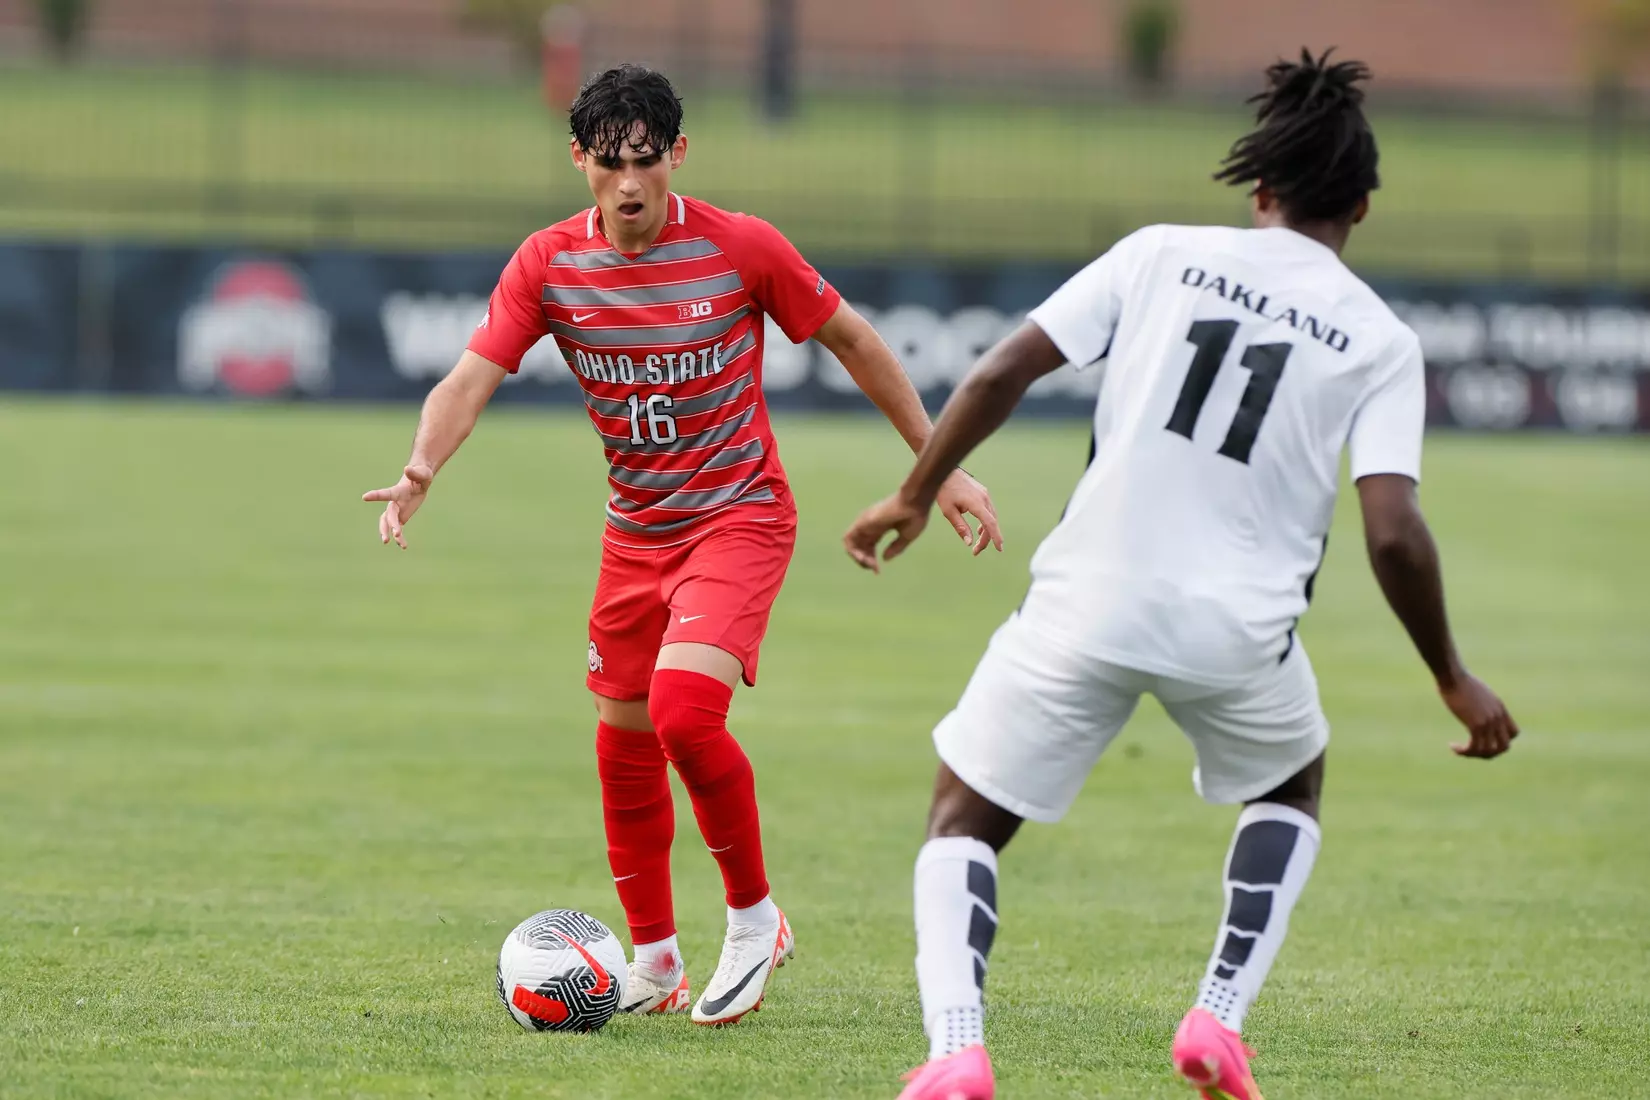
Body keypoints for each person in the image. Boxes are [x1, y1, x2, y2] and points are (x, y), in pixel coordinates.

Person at [843, 49, 1519, 1100]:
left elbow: (999, 369)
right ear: (1364, 208)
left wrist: (917, 492)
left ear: (1259, 193)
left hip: (1086, 601)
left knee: (961, 821)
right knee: (1289, 786)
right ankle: (1217, 1017)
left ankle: (957, 1049)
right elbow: (1394, 531)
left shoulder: (1158, 253)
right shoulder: (1382, 338)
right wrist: (1451, 673)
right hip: (1239, 632)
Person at [363, 64, 1002, 1027]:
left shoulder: (741, 247)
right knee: (621, 739)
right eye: (610, 162)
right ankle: (655, 959)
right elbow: (470, 375)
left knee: (682, 715)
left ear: (677, 156)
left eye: (647, 160)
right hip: (636, 531)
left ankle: (754, 921)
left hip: (740, 514)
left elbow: (858, 342)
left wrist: (938, 467)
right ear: (578, 161)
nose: (630, 183)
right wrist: (420, 468)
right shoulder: (546, 265)